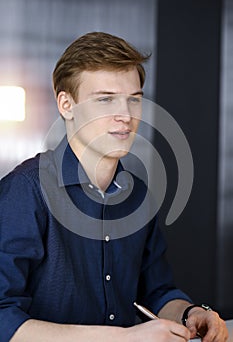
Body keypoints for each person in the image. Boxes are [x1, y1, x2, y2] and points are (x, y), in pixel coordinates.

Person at [0, 32, 228, 342]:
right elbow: (2, 317)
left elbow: (157, 292)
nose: (126, 115)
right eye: (105, 98)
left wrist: (192, 314)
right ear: (66, 104)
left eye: (134, 98)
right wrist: (122, 338)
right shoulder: (25, 192)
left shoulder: (138, 197)